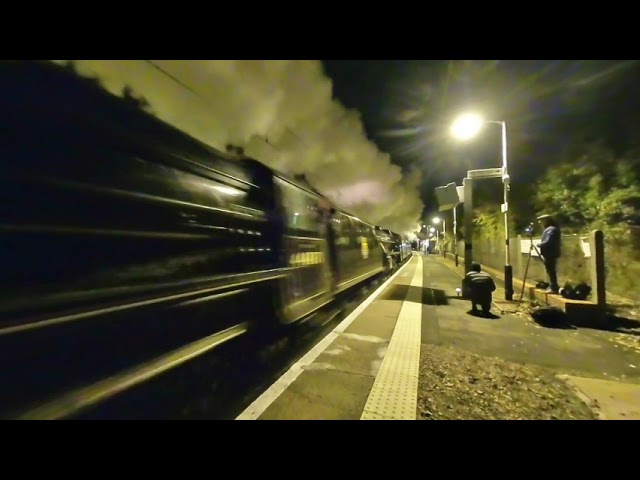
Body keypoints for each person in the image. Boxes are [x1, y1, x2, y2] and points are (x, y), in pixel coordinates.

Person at [536, 213, 561, 294]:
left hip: (550, 253)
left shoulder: (551, 230)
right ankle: (553, 286)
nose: (540, 223)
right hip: (549, 253)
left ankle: (554, 287)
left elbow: (549, 241)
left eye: (541, 221)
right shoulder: (550, 229)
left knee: (551, 271)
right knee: (550, 270)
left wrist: (540, 244)